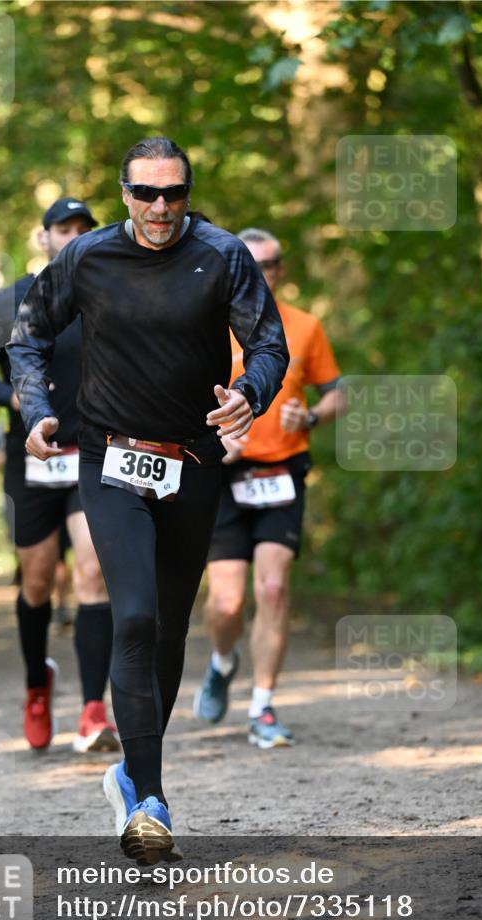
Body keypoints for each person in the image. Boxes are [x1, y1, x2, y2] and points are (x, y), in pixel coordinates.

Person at [7, 136, 288, 863]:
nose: (160, 207)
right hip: (111, 459)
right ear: (125, 194)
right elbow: (27, 336)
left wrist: (249, 394)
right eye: (145, 193)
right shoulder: (86, 257)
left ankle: (131, 774)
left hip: (192, 463)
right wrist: (37, 408)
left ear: (188, 193)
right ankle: (150, 802)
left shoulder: (222, 255)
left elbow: (269, 346)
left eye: (174, 193)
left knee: (167, 629)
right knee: (132, 614)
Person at [0, 197, 119, 754]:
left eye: (83, 229)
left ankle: (94, 710)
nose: (73, 236)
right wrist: (14, 397)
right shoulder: (10, 300)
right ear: (43, 237)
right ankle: (36, 685)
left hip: (92, 454)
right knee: (37, 580)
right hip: (30, 458)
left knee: (93, 572)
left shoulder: (107, 297)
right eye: (63, 228)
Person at [194, 227, 345, 747]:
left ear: (281, 271)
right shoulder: (204, 324)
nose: (262, 273)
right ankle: (222, 661)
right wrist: (213, 440)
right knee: (226, 603)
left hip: (283, 471)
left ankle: (262, 706)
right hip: (223, 476)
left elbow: (337, 393)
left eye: (271, 264)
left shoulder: (304, 326)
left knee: (274, 589)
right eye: (250, 264)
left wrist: (313, 417)